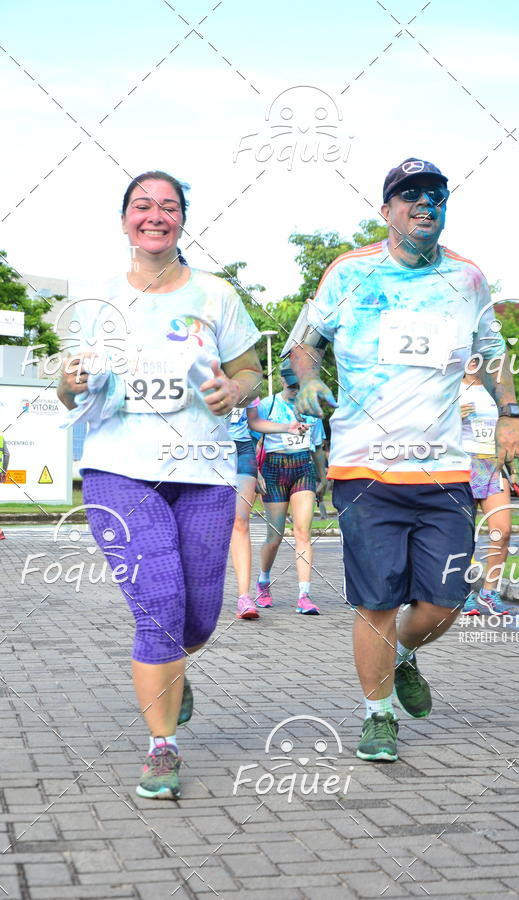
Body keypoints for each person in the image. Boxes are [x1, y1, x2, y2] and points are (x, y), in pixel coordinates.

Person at [285, 157, 519, 761]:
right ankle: (377, 716)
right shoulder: (349, 273)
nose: (425, 204)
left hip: (444, 468)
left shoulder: (467, 279)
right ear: (386, 209)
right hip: (365, 467)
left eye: (437, 196)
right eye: (411, 195)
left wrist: (509, 414)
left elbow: (492, 352)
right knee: (376, 603)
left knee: (445, 600)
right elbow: (301, 346)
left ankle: (406, 656)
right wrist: (309, 381)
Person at [57, 171, 263, 799]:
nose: (155, 215)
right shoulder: (93, 301)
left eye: (168, 207)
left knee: (198, 620)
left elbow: (250, 369)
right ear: (124, 221)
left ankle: (173, 670)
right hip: (119, 468)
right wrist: (69, 379)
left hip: (202, 471)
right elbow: (67, 387)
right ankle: (162, 747)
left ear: (181, 220)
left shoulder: (217, 296)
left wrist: (236, 388)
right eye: (142, 206)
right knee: (160, 609)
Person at [247, 361, 327, 615]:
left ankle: (304, 595)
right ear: (282, 381)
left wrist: (322, 476)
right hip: (274, 468)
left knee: (302, 532)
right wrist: (256, 473)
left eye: (298, 385)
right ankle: (263, 581)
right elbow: (253, 442)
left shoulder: (311, 408)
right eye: (291, 385)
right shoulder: (268, 405)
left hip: (302, 466)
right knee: (275, 536)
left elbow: (317, 446)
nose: (294, 389)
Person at [225, 399, 309, 620]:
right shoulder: (200, 372)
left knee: (241, 521)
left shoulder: (246, 375)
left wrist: (286, 427)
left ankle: (244, 597)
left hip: (242, 449)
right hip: (206, 447)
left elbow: (254, 422)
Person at [460, 360, 512, 615]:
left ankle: (489, 592)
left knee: (502, 531)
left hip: (492, 466)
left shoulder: (497, 390)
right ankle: (464, 593)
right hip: (459, 466)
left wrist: (516, 469)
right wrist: (451, 416)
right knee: (460, 537)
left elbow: (510, 429)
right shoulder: (449, 387)